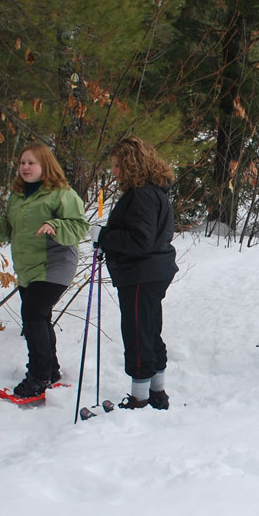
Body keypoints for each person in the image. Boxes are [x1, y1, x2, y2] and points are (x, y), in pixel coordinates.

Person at [0, 144, 90, 399]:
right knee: (39, 318)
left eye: (31, 163)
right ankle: (51, 371)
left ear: (45, 165)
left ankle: (38, 377)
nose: (25, 168)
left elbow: (78, 226)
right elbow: (11, 224)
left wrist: (55, 225)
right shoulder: (18, 195)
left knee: (32, 314)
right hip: (28, 267)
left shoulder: (62, 193)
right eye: (22, 163)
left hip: (55, 263)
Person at [96, 136, 177, 409]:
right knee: (149, 330)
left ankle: (140, 399)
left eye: (118, 166)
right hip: (151, 271)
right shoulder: (154, 192)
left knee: (138, 332)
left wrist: (105, 236)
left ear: (131, 165)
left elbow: (140, 240)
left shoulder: (141, 195)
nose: (114, 171)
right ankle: (156, 393)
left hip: (141, 273)